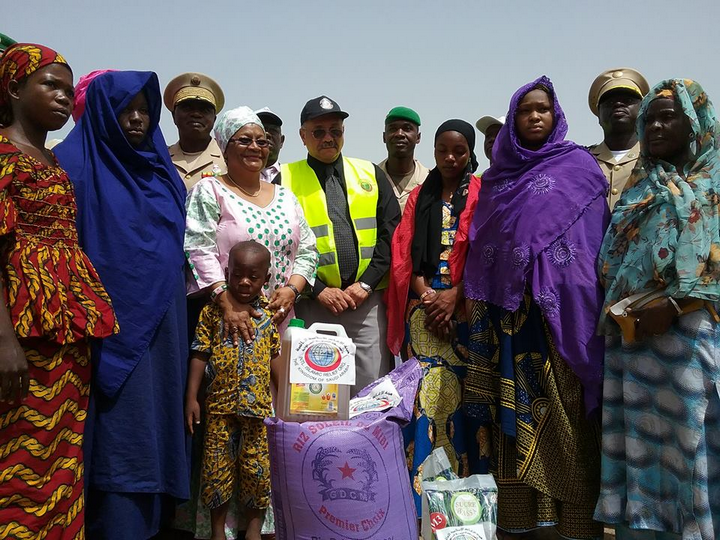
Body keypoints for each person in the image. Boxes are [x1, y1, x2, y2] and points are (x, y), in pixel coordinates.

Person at [462, 76, 609, 539]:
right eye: (525, 110)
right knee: (516, 413)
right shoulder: (498, 177)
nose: (535, 116)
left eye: (543, 108)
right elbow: (488, 243)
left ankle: (575, 523)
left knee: (566, 413)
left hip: (566, 312)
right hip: (513, 317)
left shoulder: (580, 166)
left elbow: (593, 240)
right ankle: (521, 521)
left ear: (556, 113)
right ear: (513, 118)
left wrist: (559, 281)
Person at [54, 70, 190, 539]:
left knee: (154, 430)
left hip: (161, 326)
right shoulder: (71, 164)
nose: (136, 118)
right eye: (124, 108)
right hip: (102, 332)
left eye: (144, 108)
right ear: (99, 112)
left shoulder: (160, 169)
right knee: (114, 439)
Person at [179, 106, 316, 539]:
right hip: (226, 324)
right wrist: (225, 302)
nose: (256, 146)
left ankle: (260, 528)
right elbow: (198, 247)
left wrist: (291, 289)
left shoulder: (286, 196)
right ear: (224, 143)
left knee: (263, 434)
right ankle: (217, 529)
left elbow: (307, 252)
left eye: (261, 140)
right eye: (244, 139)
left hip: (274, 327)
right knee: (221, 440)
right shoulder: (210, 191)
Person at [0, 44, 117, 539]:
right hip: (19, 334)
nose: (64, 97)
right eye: (49, 84)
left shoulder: (50, 160)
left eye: (69, 90)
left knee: (64, 453)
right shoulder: (4, 157)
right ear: (13, 88)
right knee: (17, 454)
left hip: (66, 329)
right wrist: (4, 341)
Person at [595, 79, 720, 540]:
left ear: (695, 123)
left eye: (670, 116)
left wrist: (674, 304)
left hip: (685, 339)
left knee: (685, 448)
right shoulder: (641, 186)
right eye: (651, 118)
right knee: (639, 449)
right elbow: (613, 256)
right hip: (632, 343)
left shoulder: (713, 182)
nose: (657, 125)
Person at [386, 119, 481, 514]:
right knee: (424, 403)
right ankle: (417, 505)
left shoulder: (481, 193)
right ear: (434, 151)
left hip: (466, 312)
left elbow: (485, 252)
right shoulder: (418, 196)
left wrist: (454, 296)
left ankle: (464, 506)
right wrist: (429, 297)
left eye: (458, 151)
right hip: (422, 315)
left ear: (470, 153)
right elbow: (404, 253)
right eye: (443, 150)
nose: (450, 158)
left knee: (462, 405)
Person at [282, 95, 401, 395]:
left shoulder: (371, 174)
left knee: (371, 393)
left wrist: (366, 285)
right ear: (302, 136)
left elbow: (392, 234)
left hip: (366, 302)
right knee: (316, 395)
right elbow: (281, 247)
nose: (328, 138)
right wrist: (319, 290)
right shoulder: (283, 178)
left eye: (335, 130)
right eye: (318, 132)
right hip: (312, 304)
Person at [186, 241, 279, 540]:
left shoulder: (268, 317)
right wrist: (191, 397)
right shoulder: (213, 313)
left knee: (257, 472)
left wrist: (285, 400)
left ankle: (253, 532)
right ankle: (217, 532)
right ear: (227, 272)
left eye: (253, 276)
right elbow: (199, 353)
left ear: (266, 278)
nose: (244, 282)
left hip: (258, 411)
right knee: (216, 470)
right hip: (219, 408)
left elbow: (274, 357)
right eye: (237, 274)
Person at [588, 68, 649, 208]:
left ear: (643, 110)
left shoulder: (656, 159)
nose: (618, 104)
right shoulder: (584, 160)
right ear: (599, 116)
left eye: (628, 100)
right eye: (609, 102)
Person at [165, 72, 226, 190]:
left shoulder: (228, 157)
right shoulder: (162, 158)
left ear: (214, 118)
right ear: (173, 116)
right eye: (187, 108)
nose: (196, 114)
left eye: (204, 109)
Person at [379, 106, 430, 212]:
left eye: (407, 128)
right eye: (393, 129)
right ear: (384, 137)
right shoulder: (371, 178)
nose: (399, 134)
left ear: (418, 137)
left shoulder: (430, 180)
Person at [256, 107, 283, 184]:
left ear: (282, 141)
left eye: (273, 131)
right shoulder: (234, 177)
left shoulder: (293, 176)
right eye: (262, 129)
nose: (267, 134)